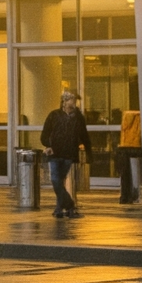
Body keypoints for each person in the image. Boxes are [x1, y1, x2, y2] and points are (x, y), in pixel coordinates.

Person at [41, 88, 90, 220]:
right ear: (65, 101)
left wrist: (89, 153)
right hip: (55, 154)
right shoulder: (54, 115)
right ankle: (70, 205)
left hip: (69, 154)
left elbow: (84, 136)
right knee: (56, 181)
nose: (74, 103)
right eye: (72, 100)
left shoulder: (78, 118)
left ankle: (58, 210)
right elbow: (44, 135)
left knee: (60, 182)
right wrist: (49, 145)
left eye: (75, 100)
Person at [119, 108, 141, 205]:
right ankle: (134, 194)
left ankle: (125, 196)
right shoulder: (139, 118)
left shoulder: (126, 119)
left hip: (125, 145)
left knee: (125, 173)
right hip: (138, 145)